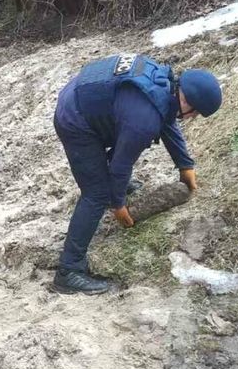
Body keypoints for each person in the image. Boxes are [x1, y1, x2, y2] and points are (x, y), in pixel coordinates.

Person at [51, 54, 223, 295]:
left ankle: (110, 187)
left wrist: (185, 165)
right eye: (195, 113)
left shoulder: (164, 83)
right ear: (188, 100)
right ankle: (68, 272)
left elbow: (166, 119)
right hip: (75, 119)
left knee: (112, 179)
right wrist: (118, 204)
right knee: (97, 194)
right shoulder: (143, 120)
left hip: (87, 97)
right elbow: (122, 163)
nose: (192, 118)